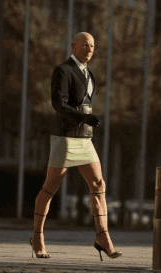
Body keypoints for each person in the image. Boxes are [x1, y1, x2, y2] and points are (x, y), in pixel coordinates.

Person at [30, 32, 122, 261]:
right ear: (73, 46)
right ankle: (37, 237)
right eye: (84, 44)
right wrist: (83, 118)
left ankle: (103, 237)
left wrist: (87, 122)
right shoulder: (63, 70)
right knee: (50, 187)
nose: (88, 48)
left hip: (85, 139)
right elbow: (57, 103)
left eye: (91, 45)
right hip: (66, 137)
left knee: (99, 183)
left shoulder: (89, 74)